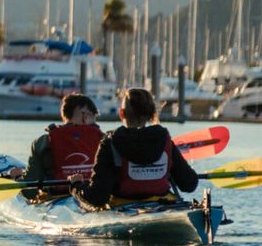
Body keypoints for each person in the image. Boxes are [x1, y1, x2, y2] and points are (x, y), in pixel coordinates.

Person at [69, 88, 199, 212]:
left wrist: (76, 186)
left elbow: (98, 197)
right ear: (151, 114)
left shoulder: (110, 142)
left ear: (121, 113)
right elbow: (189, 184)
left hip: (124, 208)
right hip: (162, 206)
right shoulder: (164, 140)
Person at [17, 93, 103, 202]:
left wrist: (17, 178)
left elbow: (29, 192)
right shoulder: (104, 140)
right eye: (94, 118)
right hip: (93, 199)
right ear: (85, 117)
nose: (95, 123)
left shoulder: (43, 142)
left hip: (57, 200)